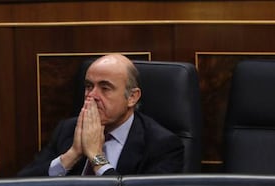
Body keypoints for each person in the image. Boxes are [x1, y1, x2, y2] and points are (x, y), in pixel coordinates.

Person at [18, 54, 184, 176]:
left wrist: (97, 157)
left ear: (132, 97)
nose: (92, 96)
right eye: (89, 86)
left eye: (105, 88)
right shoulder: (68, 129)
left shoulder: (162, 145)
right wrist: (72, 155)